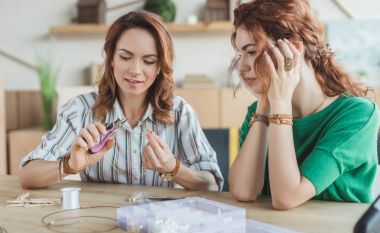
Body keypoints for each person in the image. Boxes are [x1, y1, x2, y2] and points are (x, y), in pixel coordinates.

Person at [19, 11, 223, 191]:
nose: (135, 70)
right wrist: (69, 165)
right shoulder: (79, 110)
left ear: (160, 66)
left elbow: (211, 184)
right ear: (111, 58)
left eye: (149, 61)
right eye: (125, 57)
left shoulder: (181, 113)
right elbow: (27, 176)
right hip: (98, 226)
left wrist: (173, 168)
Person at [228, 0, 379, 210]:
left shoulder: (358, 114)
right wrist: (265, 104)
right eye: (240, 54)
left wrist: (279, 102)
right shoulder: (258, 113)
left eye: (251, 52)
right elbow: (244, 191)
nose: (242, 67)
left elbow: (286, 197)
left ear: (294, 47)